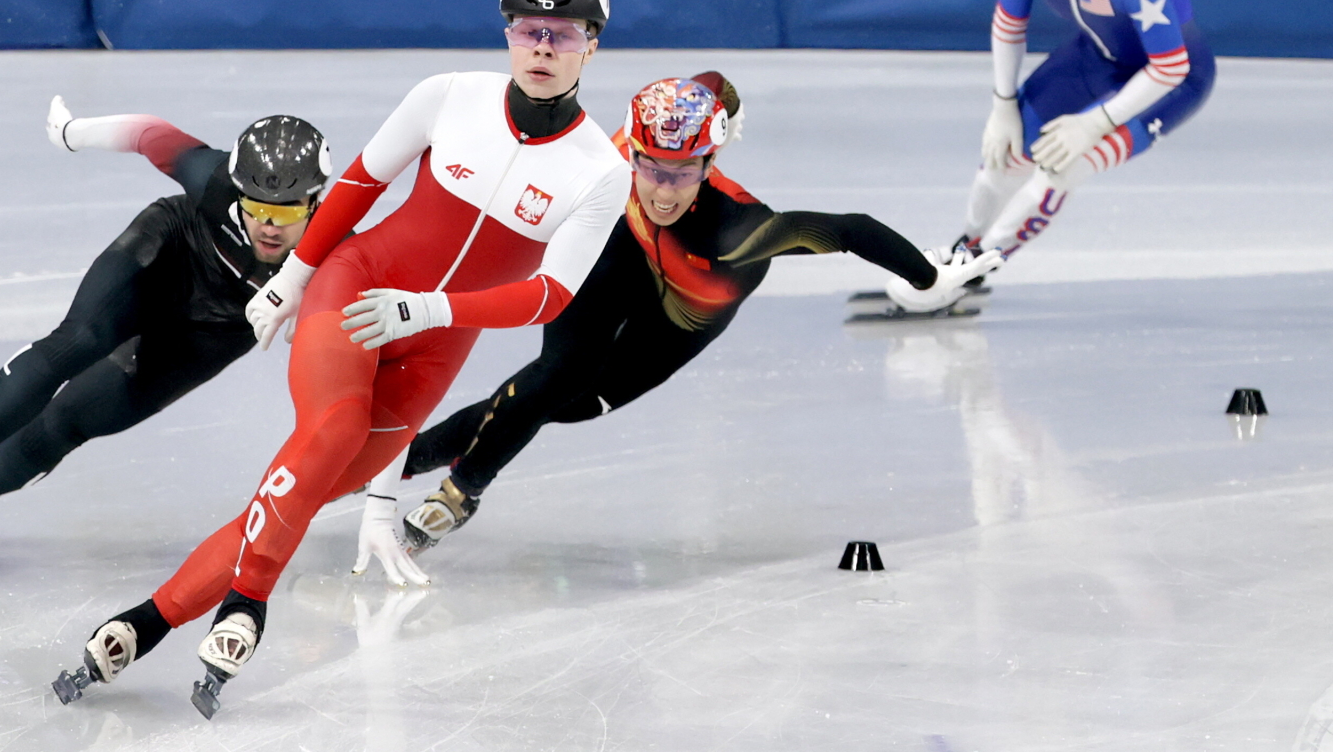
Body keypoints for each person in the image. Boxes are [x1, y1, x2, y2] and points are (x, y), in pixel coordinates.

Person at [54, 0, 633, 715]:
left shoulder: (599, 169)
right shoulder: (447, 97)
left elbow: (551, 295)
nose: (544, 49)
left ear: (593, 43)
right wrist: (293, 279)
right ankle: (247, 606)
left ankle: (145, 622)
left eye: (563, 34)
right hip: (357, 286)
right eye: (530, 30)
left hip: (434, 339)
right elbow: (361, 182)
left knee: (308, 488)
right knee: (333, 429)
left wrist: (429, 311)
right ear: (507, 33)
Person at [389, 73, 1000, 556]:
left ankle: (403, 459)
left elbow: (851, 229)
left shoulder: (740, 230)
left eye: (682, 173)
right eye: (650, 166)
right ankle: (436, 481)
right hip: (622, 256)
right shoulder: (634, 141)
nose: (662, 188)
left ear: (710, 165)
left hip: (681, 314)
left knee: (573, 406)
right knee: (555, 377)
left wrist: (930, 278)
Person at [0, 100, 329, 556]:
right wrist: (71, 134)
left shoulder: (336, 250)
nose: (268, 225)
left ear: (314, 202)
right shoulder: (211, 179)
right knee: (80, 339)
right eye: (256, 207)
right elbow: (148, 133)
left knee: (68, 424)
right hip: (169, 251)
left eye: (286, 211)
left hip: (216, 328)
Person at [958, 0, 1214, 262]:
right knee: (1002, 157)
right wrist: (1002, 104)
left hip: (1172, 80)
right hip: (1096, 57)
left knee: (1062, 168)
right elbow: (1008, 26)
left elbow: (1170, 67)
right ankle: (963, 249)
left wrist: (1095, 123)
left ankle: (978, 269)